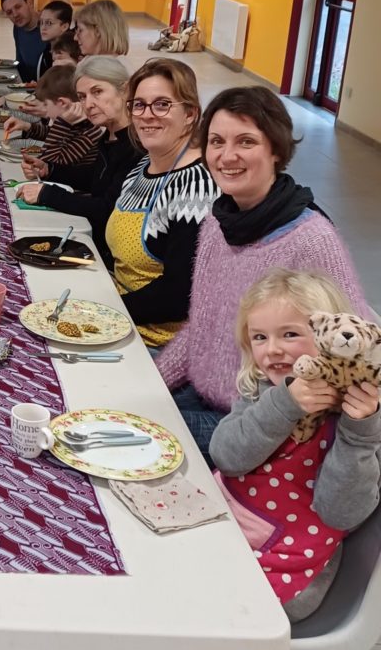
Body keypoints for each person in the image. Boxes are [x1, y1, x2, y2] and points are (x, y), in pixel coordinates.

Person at [155, 86, 371, 455]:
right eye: (217, 141)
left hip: (259, 427)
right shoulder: (217, 222)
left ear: (276, 150)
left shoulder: (312, 240)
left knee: (120, 430)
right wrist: (156, 382)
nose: (227, 156)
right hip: (201, 392)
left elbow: (351, 355)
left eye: (246, 142)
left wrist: (279, 411)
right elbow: (202, 328)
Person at [210, 269, 381, 622]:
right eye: (259, 337)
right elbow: (227, 457)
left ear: (332, 335)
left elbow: (341, 513)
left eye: (290, 334)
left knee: (212, 604)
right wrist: (284, 404)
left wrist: (357, 433)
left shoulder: (360, 416)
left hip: (290, 561)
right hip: (223, 519)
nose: (272, 349)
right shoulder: (261, 388)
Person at [102, 58, 218, 347]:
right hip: (125, 321)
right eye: (138, 105)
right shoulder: (142, 166)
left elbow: (179, 296)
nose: (147, 115)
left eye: (162, 104)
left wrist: (105, 310)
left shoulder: (197, 187)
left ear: (190, 113)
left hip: (161, 346)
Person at [16, 56, 142, 256]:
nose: (89, 104)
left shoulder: (137, 144)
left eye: (97, 92)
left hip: (108, 252)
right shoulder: (111, 133)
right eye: (82, 97)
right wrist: (50, 170)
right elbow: (97, 176)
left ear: (125, 90)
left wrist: (47, 194)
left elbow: (108, 208)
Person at [3, 64, 103, 167]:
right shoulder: (76, 124)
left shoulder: (88, 135)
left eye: (46, 104)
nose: (45, 110)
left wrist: (62, 124)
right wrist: (27, 126)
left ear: (62, 103)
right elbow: (54, 135)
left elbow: (48, 162)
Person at [0, 0, 46, 82]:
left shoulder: (48, 28)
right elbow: (20, 65)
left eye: (18, 7)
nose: (15, 14)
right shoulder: (17, 28)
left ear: (29, 3)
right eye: (9, 12)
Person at [36, 1, 73, 77]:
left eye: (49, 23)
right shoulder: (46, 51)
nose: (43, 27)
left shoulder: (68, 56)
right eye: (41, 22)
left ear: (64, 27)